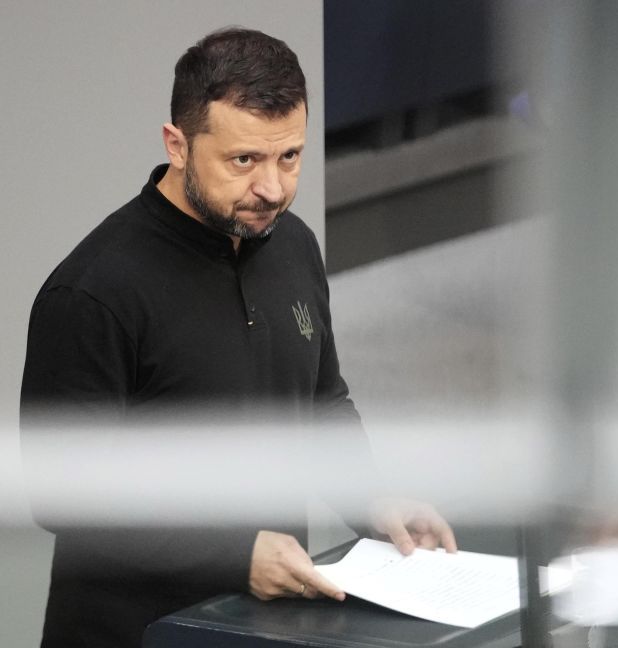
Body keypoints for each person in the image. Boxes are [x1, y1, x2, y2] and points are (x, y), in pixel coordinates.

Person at [19, 27, 456, 648]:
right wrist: (234, 554)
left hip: (264, 628)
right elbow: (62, 496)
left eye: (290, 157)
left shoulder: (294, 245)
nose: (272, 189)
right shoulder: (93, 293)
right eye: (243, 161)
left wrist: (372, 500)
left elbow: (320, 400)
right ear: (177, 145)